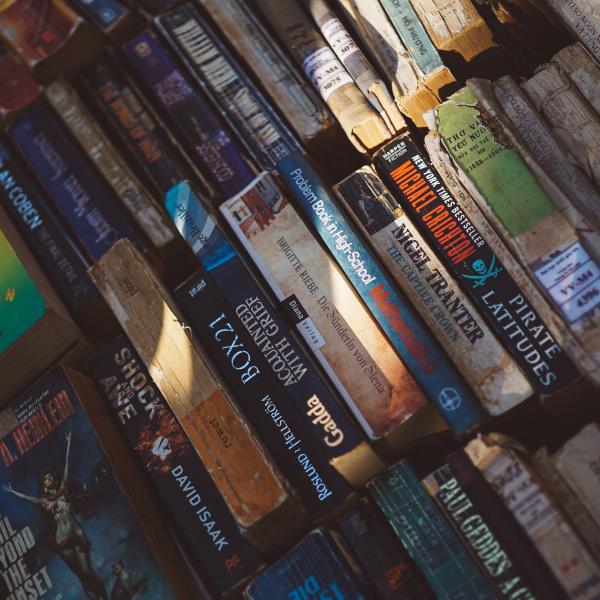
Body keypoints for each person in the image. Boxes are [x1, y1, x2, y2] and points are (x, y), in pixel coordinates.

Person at [3, 430, 108, 600]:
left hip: (75, 534)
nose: (49, 479)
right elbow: (28, 499)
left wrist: (68, 444)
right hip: (61, 540)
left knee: (88, 572)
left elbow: (66, 465)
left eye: (51, 477)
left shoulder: (63, 490)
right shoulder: (44, 501)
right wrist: (12, 491)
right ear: (43, 485)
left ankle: (103, 595)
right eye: (46, 479)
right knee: (81, 577)